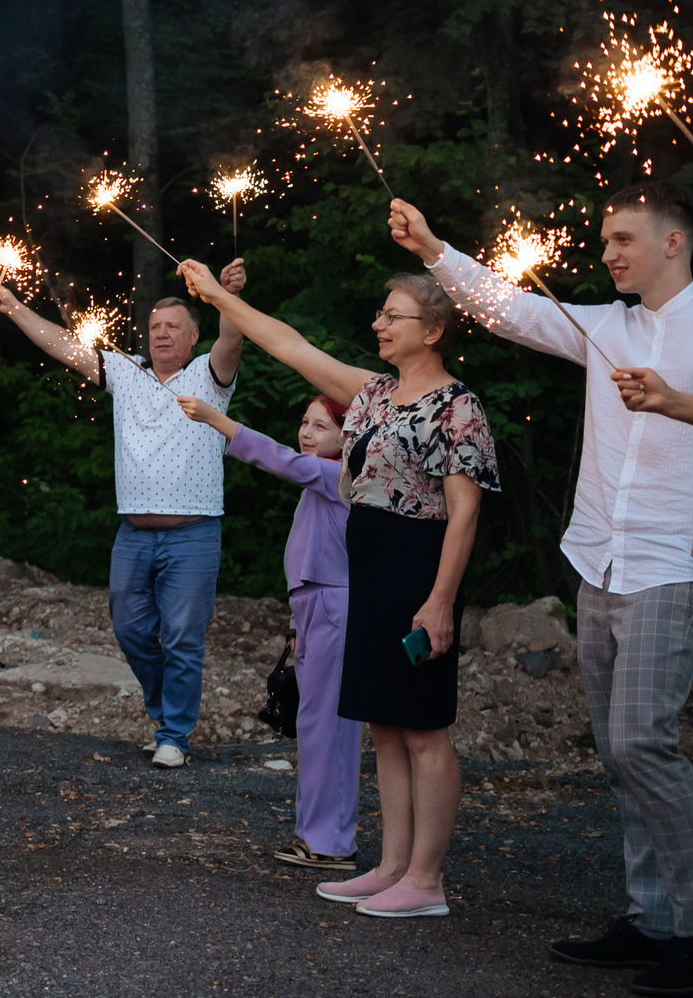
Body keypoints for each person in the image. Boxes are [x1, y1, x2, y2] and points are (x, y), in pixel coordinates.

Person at [400, 185, 693, 997]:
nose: (609, 252)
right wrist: (431, 248)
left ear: (674, 242)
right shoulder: (601, 326)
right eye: (604, 239)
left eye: (624, 238)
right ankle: (648, 917)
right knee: (620, 756)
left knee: (641, 744)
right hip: (599, 560)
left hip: (675, 562)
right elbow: (508, 308)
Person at [179, 257, 497, 920]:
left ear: (433, 328)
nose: (378, 322)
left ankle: (427, 878)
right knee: (384, 724)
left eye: (392, 314)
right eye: (379, 312)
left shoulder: (457, 405)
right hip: (368, 566)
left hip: (419, 564)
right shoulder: (373, 394)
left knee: (423, 729)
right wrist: (215, 296)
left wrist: (439, 600)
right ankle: (390, 864)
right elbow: (290, 345)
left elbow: (464, 513)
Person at [0, 261, 247, 768]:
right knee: (130, 629)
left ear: (195, 336)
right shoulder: (126, 372)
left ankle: (174, 733)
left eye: (173, 326)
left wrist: (226, 297)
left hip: (193, 532)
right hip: (133, 532)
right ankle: (164, 712)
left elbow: (233, 340)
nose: (162, 333)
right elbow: (61, 344)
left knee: (181, 636)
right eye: (154, 327)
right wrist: (14, 306)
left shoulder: (209, 376)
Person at [176, 391, 358, 869]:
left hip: (334, 607)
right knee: (314, 724)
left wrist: (217, 420)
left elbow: (279, 460)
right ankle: (318, 834)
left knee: (329, 727)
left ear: (347, 436)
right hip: (316, 607)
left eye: (321, 426)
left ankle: (330, 842)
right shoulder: (321, 482)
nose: (306, 432)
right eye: (305, 422)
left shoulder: (339, 476)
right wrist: (298, 622)